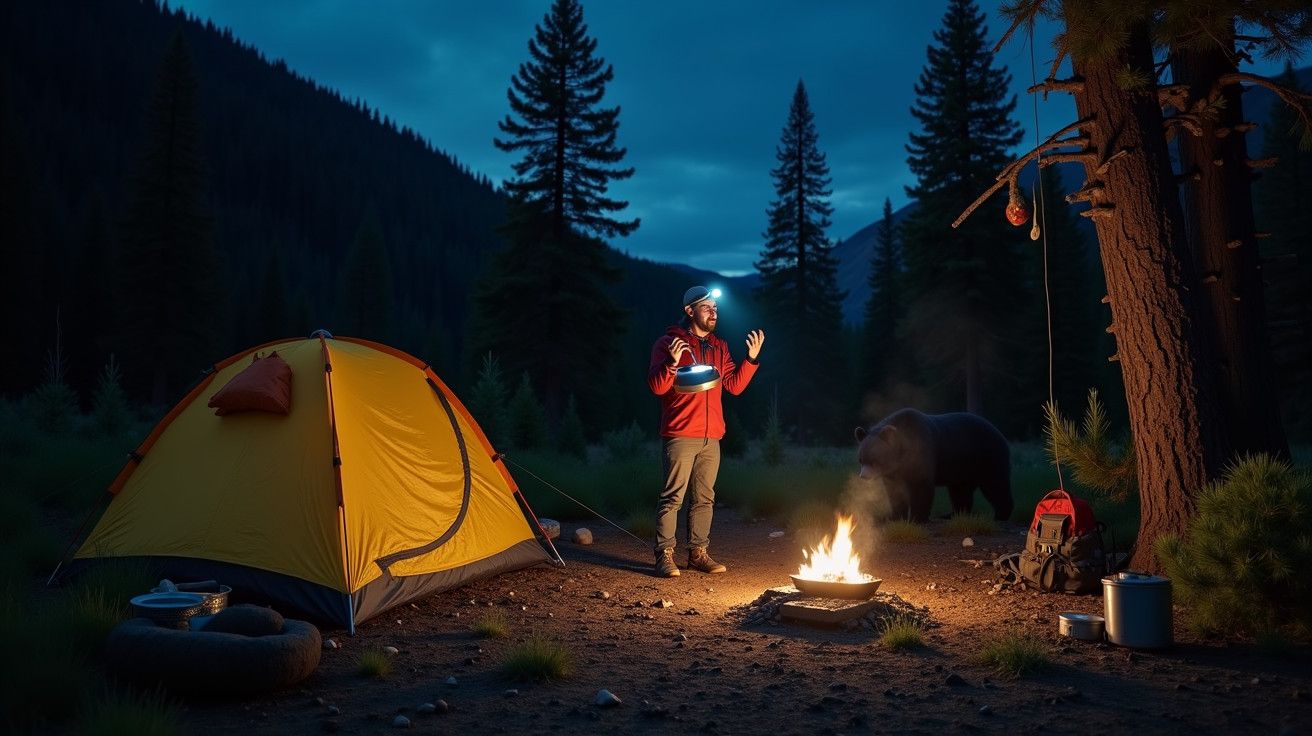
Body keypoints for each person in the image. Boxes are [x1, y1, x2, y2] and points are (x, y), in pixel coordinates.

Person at [646, 286, 764, 577]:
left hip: (712, 437)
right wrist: (672, 363)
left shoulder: (719, 347)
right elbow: (657, 387)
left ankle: (698, 553)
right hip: (681, 434)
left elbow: (734, 386)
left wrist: (751, 359)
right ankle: (664, 555)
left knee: (704, 498)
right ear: (690, 311)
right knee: (672, 497)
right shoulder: (668, 342)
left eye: (715, 308)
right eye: (707, 307)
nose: (714, 312)